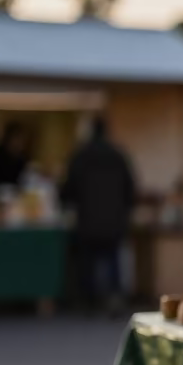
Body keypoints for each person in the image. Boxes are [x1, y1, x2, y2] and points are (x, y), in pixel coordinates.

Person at [62, 117, 136, 313]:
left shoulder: (80, 155)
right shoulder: (118, 155)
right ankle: (114, 297)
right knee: (113, 261)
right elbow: (130, 188)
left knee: (88, 262)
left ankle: (89, 301)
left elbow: (68, 189)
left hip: (88, 219)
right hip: (114, 219)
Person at [0, 120, 32, 202]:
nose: (19, 143)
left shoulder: (23, 158)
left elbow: (25, 181)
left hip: (16, 199)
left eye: (21, 139)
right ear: (7, 138)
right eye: (16, 138)